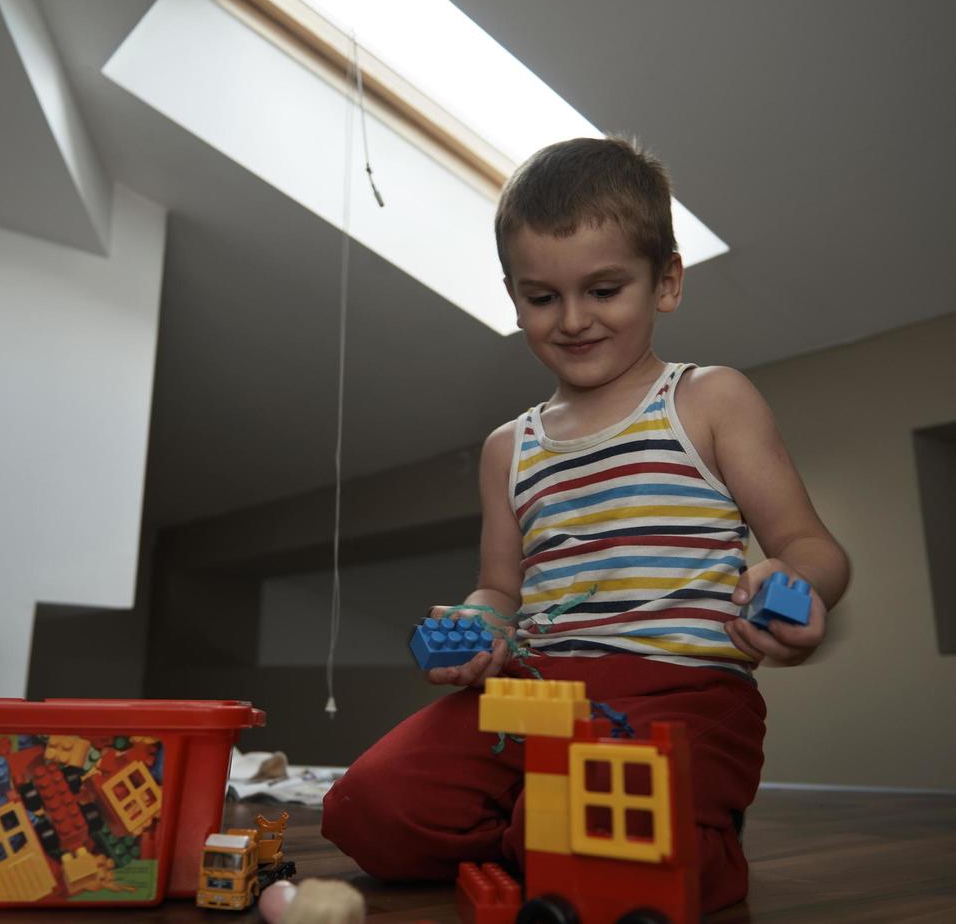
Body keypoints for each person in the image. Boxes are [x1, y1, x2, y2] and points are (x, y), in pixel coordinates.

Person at [322, 136, 850, 913]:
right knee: (364, 811)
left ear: (664, 281)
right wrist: (476, 626)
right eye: (542, 298)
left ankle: (637, 840)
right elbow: (500, 589)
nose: (572, 320)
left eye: (604, 290)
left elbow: (811, 546)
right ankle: (555, 838)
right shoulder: (508, 447)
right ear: (514, 296)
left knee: (577, 825)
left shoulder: (710, 400)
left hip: (682, 695)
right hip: (531, 693)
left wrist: (796, 584)